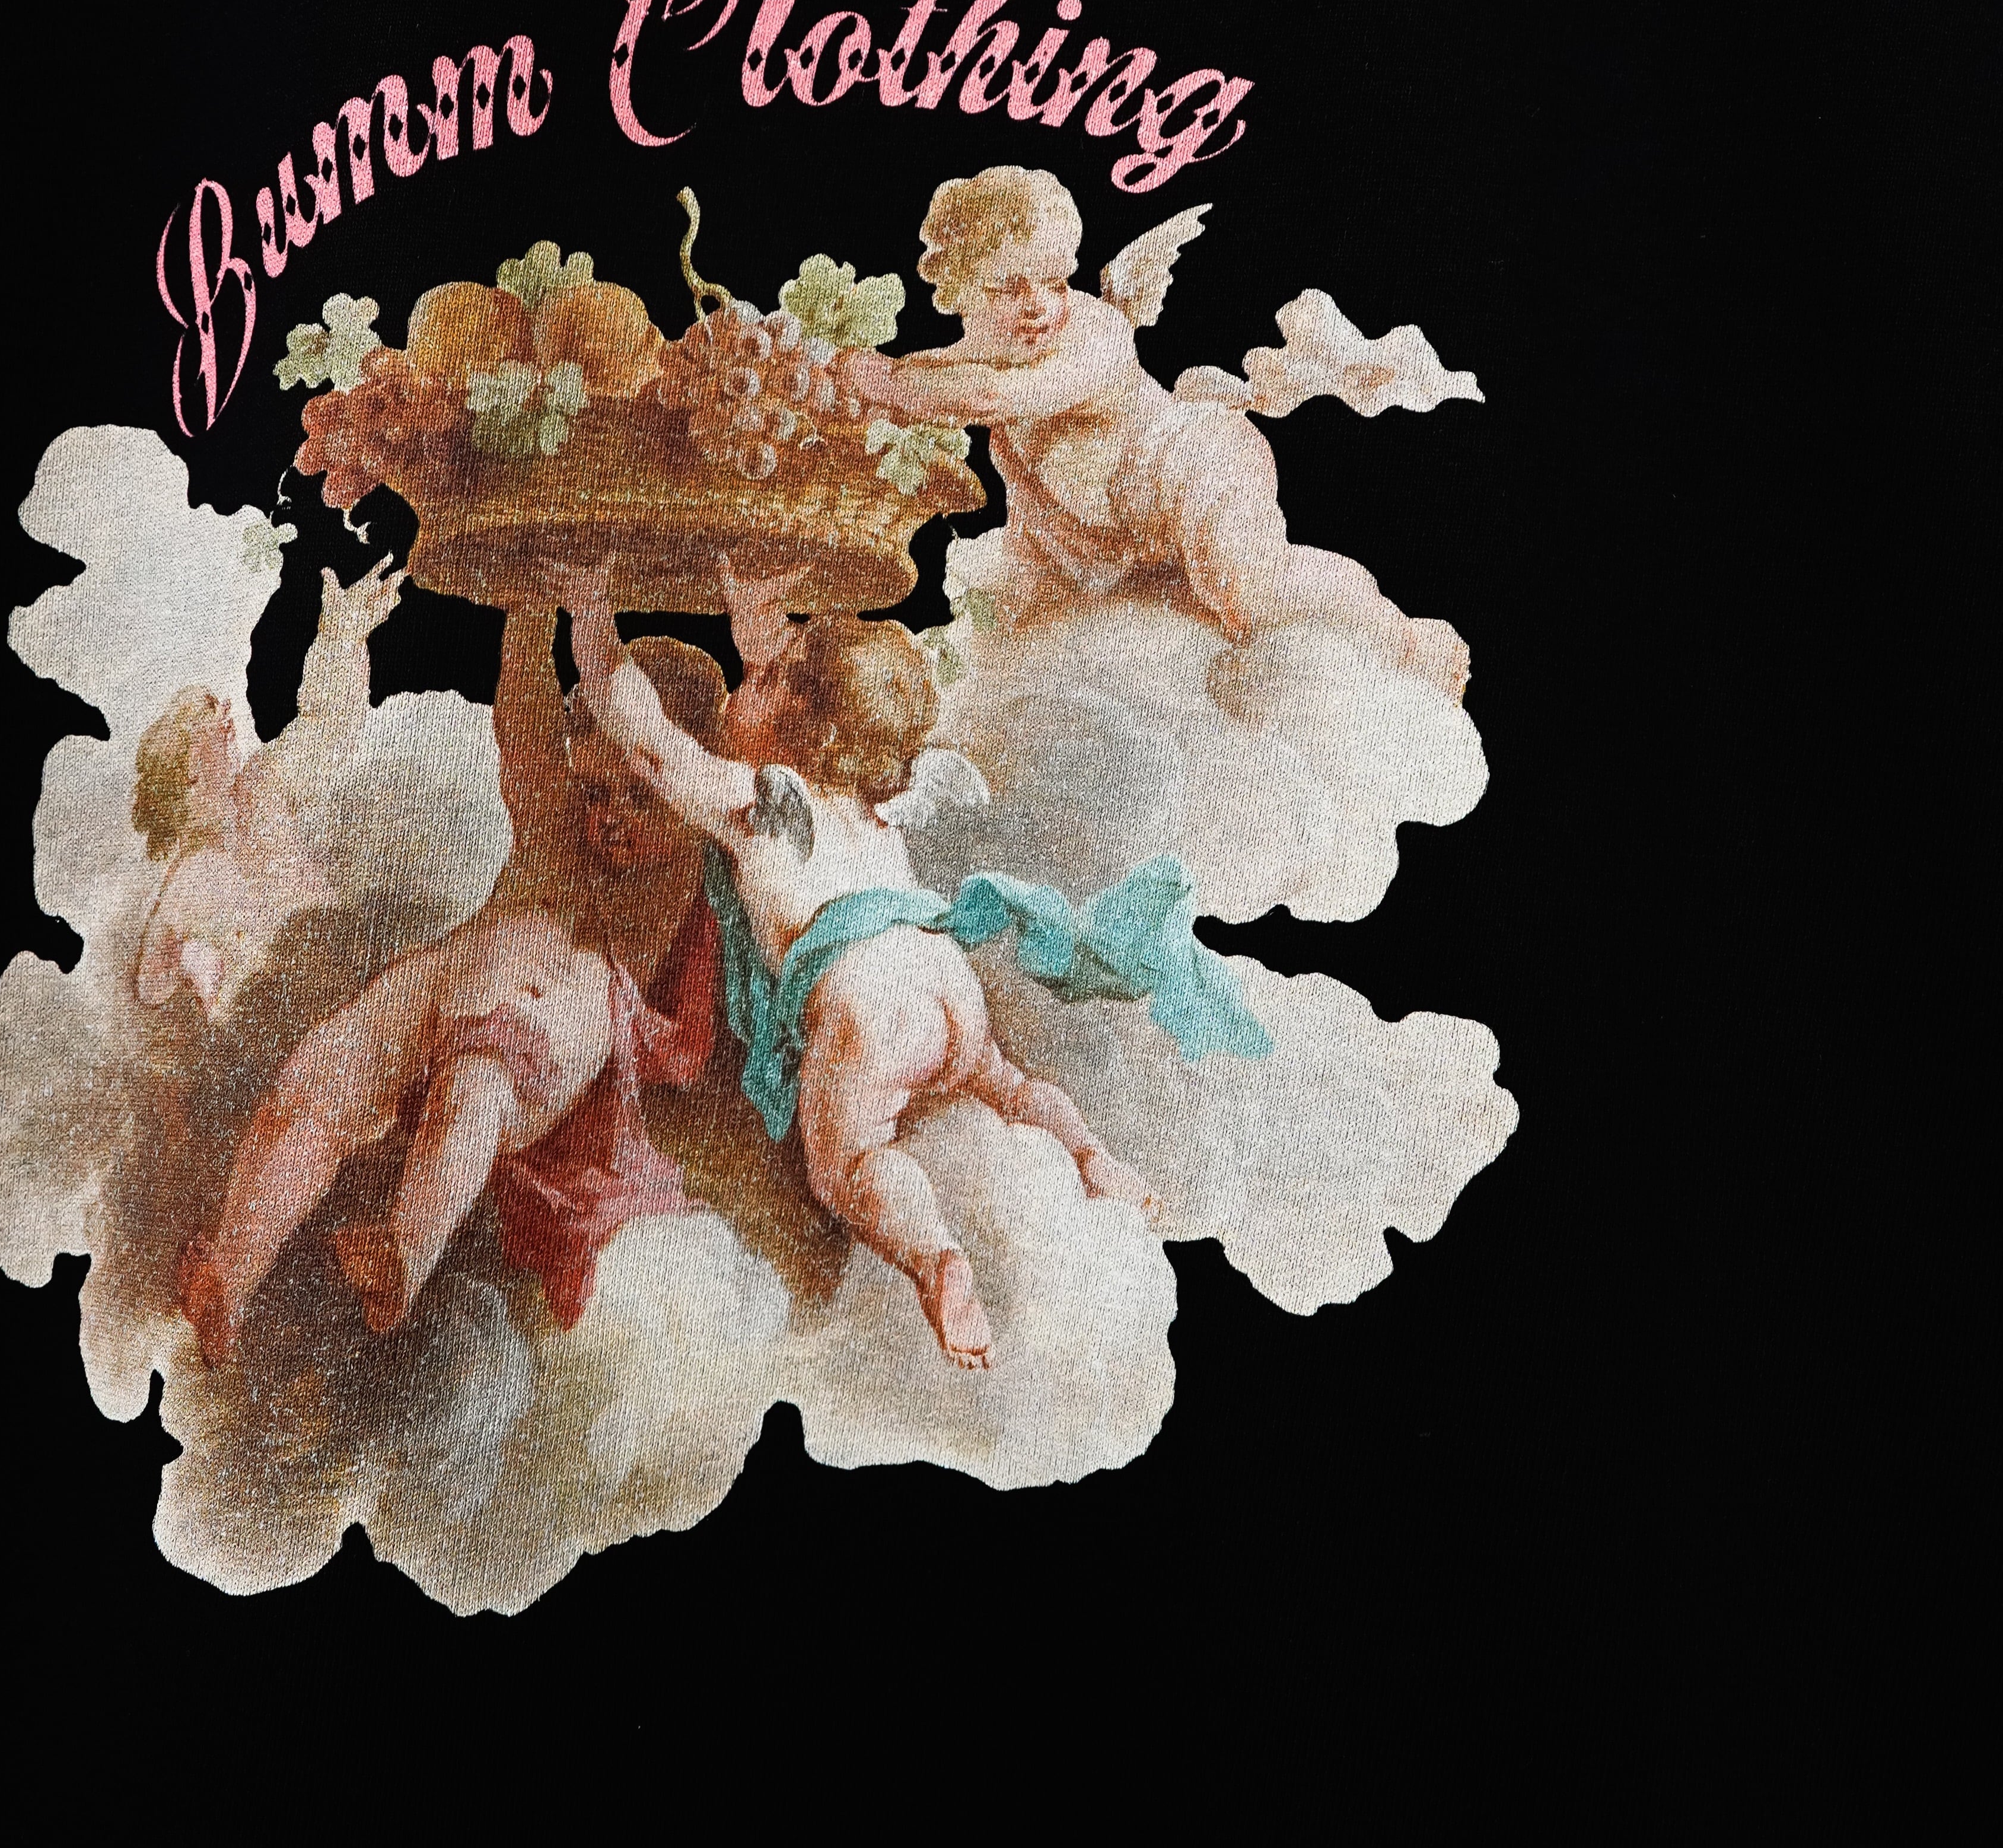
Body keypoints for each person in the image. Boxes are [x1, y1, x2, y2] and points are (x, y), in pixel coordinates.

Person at [558, 557, 1259, 1377]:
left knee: (848, 1165)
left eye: (768, 677)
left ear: (802, 726)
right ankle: (1090, 1156)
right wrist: (755, 617)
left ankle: (936, 1260)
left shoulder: (760, 808)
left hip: (863, 1003)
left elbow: (646, 743)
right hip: (940, 977)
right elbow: (809, 700)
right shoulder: (867, 800)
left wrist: (592, 619)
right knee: (1004, 1083)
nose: (747, 684)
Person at [174, 590, 724, 1365]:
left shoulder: (686, 860)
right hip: (453, 979)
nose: (611, 816)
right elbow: (526, 716)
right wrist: (530, 609)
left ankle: (404, 1255)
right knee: (324, 1072)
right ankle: (230, 1273)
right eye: (597, 789)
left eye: (642, 798)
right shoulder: (553, 817)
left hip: (554, 1013)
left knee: (474, 1088)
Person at [835, 166, 1469, 697]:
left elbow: (989, 395)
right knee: (1070, 646)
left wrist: (880, 382)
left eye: (1054, 281)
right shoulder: (972, 359)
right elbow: (924, 378)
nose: (1038, 305)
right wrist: (844, 376)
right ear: (958, 290)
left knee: (1254, 594)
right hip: (1124, 530)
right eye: (1008, 286)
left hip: (1194, 468)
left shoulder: (1092, 335)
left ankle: (1403, 640)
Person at [132, 557, 406, 1022]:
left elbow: (327, 728)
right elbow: (152, 986)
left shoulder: (261, 783)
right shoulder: (193, 878)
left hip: (346, 962)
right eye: (208, 718)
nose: (227, 718)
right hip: (292, 1008)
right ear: (188, 777)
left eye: (219, 711)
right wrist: (193, 958)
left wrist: (341, 638)